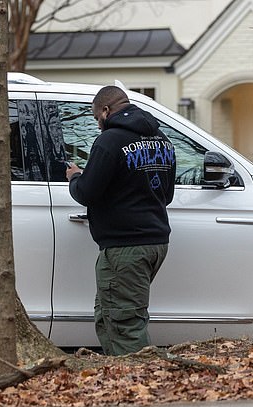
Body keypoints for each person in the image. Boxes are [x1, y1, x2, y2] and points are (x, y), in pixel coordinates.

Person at [65, 86, 176, 355]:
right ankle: (119, 375)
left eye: (95, 118)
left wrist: (76, 177)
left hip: (125, 247)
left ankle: (139, 384)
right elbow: (167, 194)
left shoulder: (109, 141)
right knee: (108, 315)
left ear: (105, 111)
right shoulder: (162, 140)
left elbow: (87, 192)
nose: (97, 124)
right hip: (154, 242)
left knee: (125, 323)